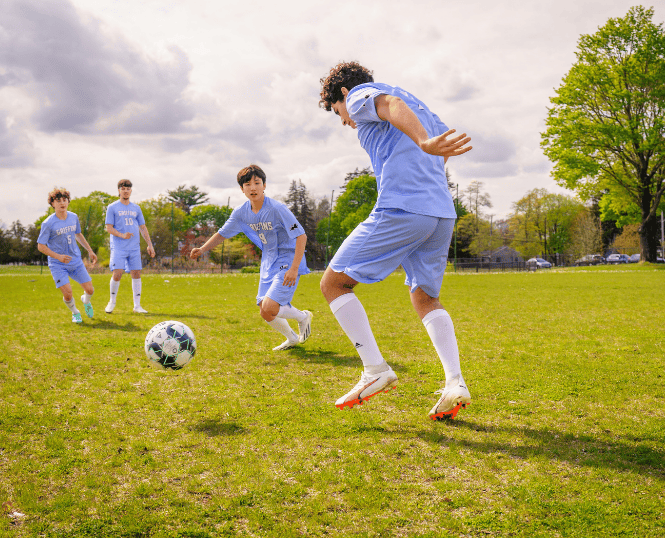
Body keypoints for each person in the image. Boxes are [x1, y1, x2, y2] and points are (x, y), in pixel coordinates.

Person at [318, 61, 473, 420]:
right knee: (425, 296)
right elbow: (440, 144)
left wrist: (424, 141)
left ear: (342, 94)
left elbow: (387, 105)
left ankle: (375, 369)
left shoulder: (359, 95)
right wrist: (429, 144)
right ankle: (455, 382)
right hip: (440, 213)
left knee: (334, 283)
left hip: (403, 208)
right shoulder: (418, 103)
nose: (343, 119)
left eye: (336, 111)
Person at [190, 165, 313, 350]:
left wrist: (294, 268)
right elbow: (222, 233)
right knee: (265, 312)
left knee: (270, 306)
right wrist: (202, 248)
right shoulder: (241, 212)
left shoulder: (277, 208)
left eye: (257, 183)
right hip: (269, 260)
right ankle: (292, 338)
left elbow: (301, 236)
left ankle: (303, 317)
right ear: (242, 189)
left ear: (264, 185)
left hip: (288, 258)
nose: (253, 187)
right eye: (248, 184)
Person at [37, 188, 98, 323]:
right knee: (68, 293)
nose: (62, 203)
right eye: (58, 201)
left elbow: (78, 234)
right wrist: (58, 257)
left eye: (65, 200)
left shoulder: (73, 217)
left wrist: (90, 250)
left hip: (75, 260)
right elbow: (41, 246)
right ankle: (75, 312)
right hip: (58, 264)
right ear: (53, 204)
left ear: (68, 202)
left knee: (90, 290)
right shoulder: (48, 223)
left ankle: (86, 301)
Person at [104, 179, 155, 314]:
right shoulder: (112, 207)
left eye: (128, 189)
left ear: (131, 191)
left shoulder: (136, 208)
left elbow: (143, 227)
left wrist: (150, 245)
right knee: (117, 273)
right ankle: (112, 301)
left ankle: (137, 306)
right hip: (119, 247)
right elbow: (108, 228)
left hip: (134, 247)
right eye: (123, 189)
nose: (125, 191)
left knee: (136, 273)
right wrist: (122, 235)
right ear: (119, 191)